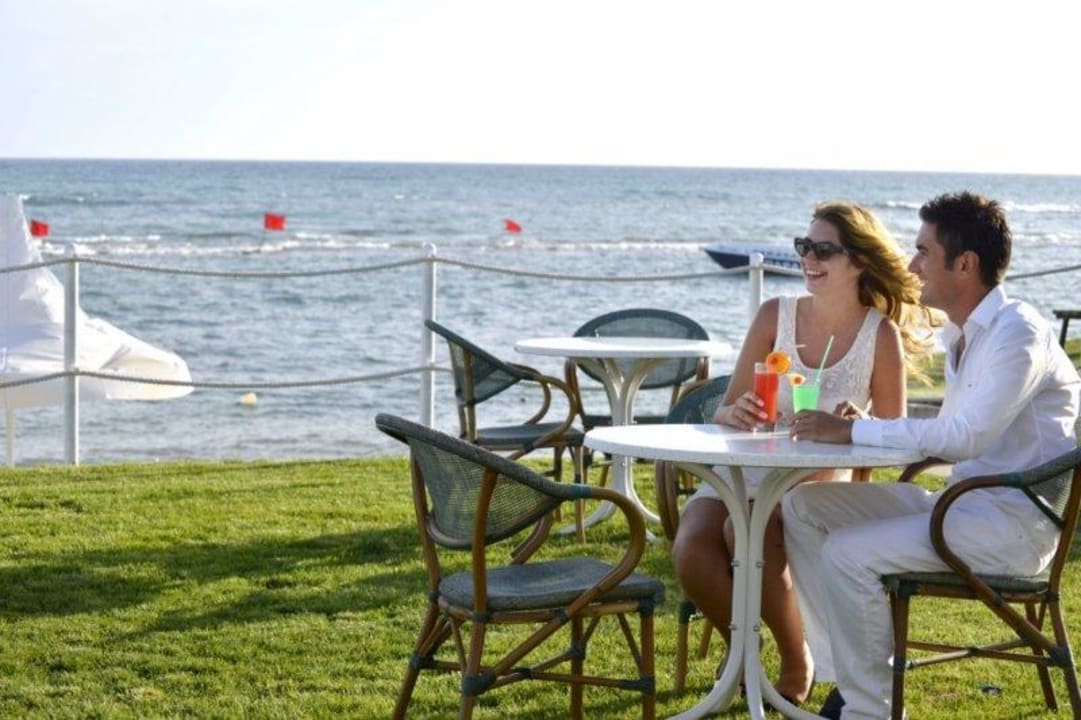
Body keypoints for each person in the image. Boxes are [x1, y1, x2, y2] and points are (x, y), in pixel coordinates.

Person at [784, 191, 1081, 720]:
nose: (912, 264)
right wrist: (872, 429)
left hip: (1011, 526)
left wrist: (852, 433)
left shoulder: (1018, 334)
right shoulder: (964, 335)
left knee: (847, 553)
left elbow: (964, 438)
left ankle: (868, 712)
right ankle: (849, 681)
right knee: (802, 507)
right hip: (965, 503)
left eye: (923, 251)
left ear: (964, 265)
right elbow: (953, 433)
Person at [671, 200, 934, 706]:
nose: (808, 259)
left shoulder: (879, 336)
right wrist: (739, 411)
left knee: (743, 532)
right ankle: (744, 649)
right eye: (804, 246)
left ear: (859, 261)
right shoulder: (776, 315)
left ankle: (797, 659)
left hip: (814, 484)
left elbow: (895, 439)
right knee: (691, 548)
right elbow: (725, 409)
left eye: (823, 250)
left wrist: (859, 426)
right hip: (745, 469)